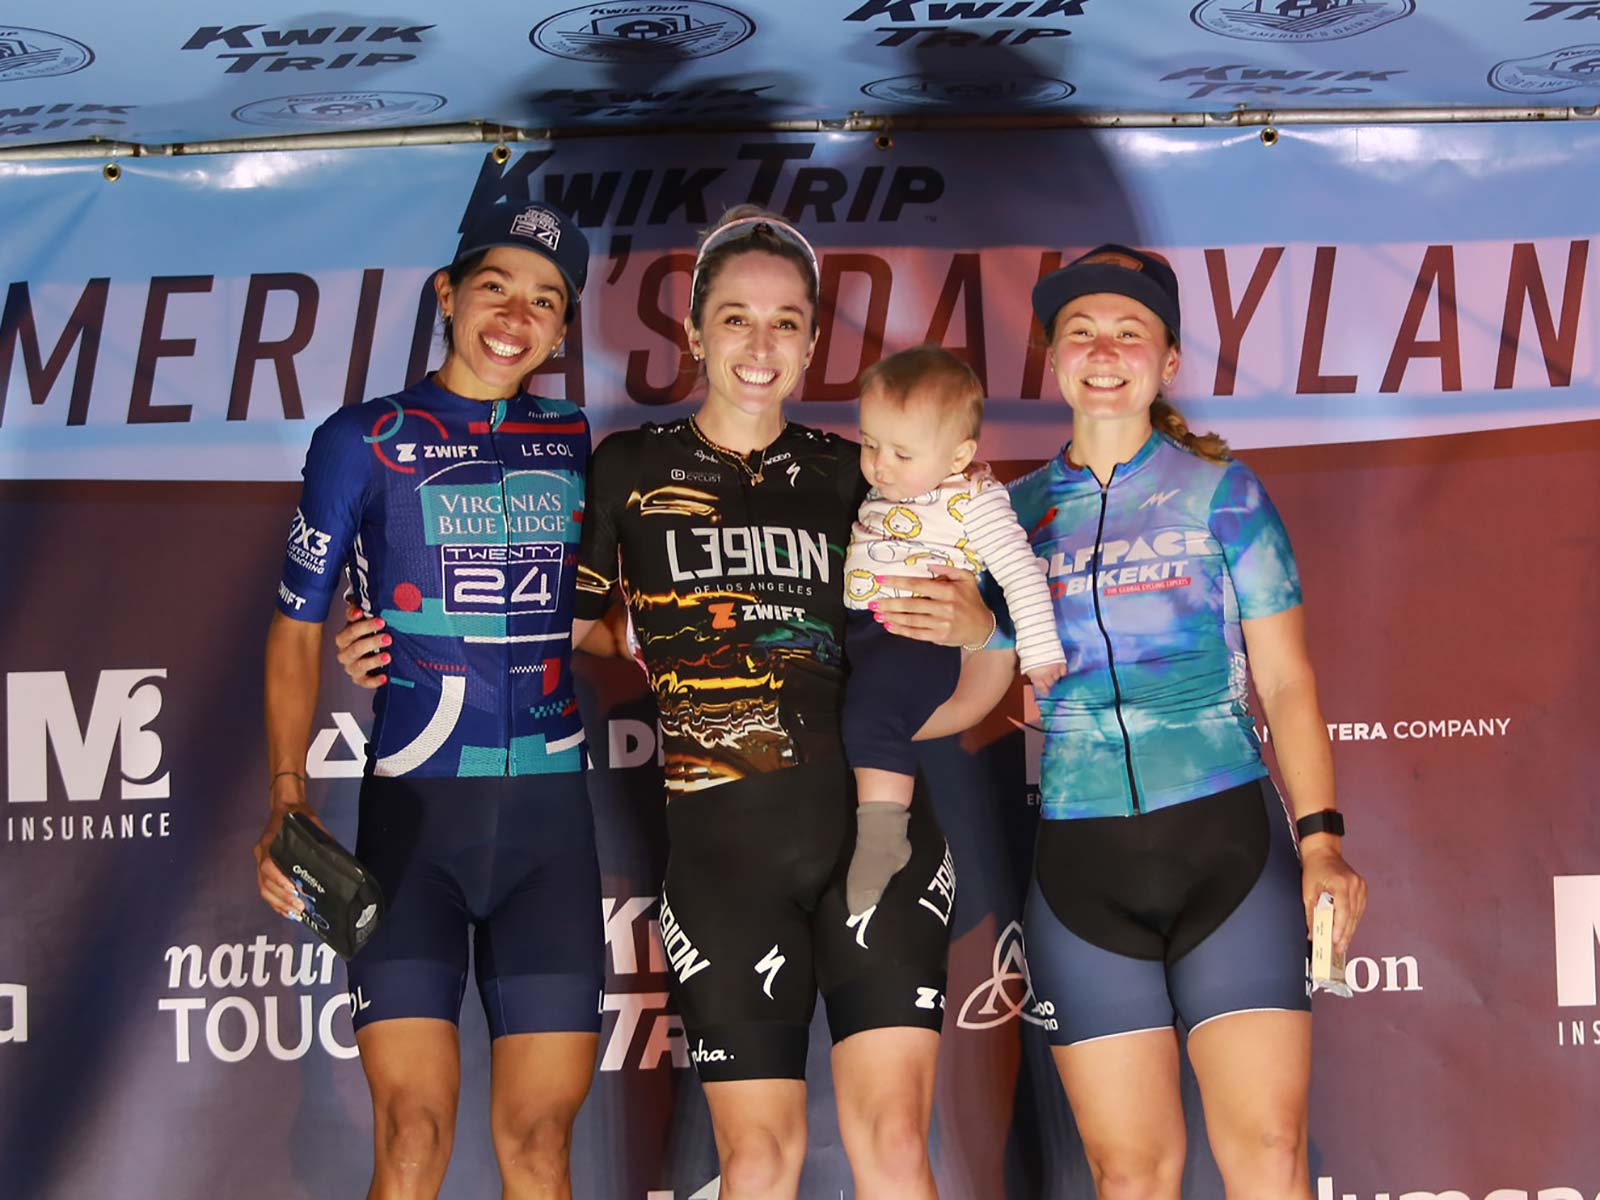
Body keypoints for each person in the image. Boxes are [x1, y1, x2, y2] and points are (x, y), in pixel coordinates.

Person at [570, 208, 998, 1200]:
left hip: (873, 841)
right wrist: (648, 642)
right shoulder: (630, 469)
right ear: (693, 332)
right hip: (722, 857)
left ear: (812, 341)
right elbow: (576, 628)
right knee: (757, 1163)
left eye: (785, 323)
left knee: (892, 1142)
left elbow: (978, 657)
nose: (759, 346)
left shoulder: (860, 474)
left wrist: (981, 639)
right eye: (734, 319)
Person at [252, 201, 604, 1200]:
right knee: (412, 1137)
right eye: (496, 286)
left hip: (550, 831)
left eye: (546, 301)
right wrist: (286, 798)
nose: (517, 315)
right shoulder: (363, 438)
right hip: (412, 823)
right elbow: (294, 624)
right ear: (448, 294)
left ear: (562, 329)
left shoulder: (576, 439)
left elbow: (602, 616)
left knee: (538, 1146)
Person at [1010, 244, 1368, 1200]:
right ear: (1052, 358)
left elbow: (1287, 684)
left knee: (1266, 1155)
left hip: (1226, 848)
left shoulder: (1226, 494)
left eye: (1131, 332)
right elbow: (985, 691)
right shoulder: (1009, 517)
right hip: (1080, 859)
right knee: (1128, 1174)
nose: (1104, 349)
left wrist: (1322, 841)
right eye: (1081, 331)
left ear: (1167, 362)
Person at [840, 345, 1066, 915]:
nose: (879, 465)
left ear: (959, 454)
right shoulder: (888, 485)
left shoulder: (975, 501)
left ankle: (884, 834)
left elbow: (1020, 573)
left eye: (900, 453)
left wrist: (1038, 652)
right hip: (866, 631)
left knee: (873, 719)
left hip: (918, 641)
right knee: (850, 709)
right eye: (869, 444)